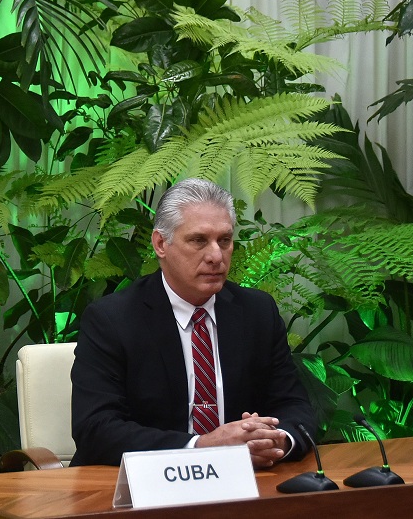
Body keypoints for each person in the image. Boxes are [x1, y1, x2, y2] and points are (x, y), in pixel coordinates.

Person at [70, 178, 316, 468]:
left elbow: (294, 406)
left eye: (224, 240)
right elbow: (96, 429)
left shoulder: (257, 312)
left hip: (243, 484)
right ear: (161, 244)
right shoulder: (112, 319)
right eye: (199, 240)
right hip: (142, 489)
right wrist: (202, 447)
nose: (216, 256)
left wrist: (277, 441)